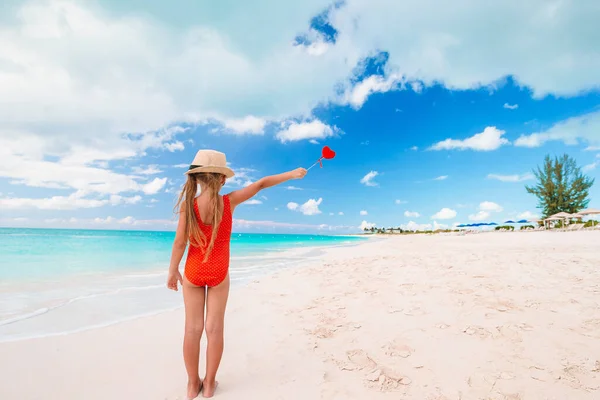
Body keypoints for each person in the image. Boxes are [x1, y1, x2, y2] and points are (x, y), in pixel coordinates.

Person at [166, 149, 307, 398]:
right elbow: (261, 184)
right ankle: (209, 384)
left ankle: (191, 385)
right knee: (215, 329)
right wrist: (292, 174)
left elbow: (179, 243)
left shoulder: (189, 207)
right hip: (219, 272)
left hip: (193, 272)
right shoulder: (228, 202)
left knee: (192, 329)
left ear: (197, 178)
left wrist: (172, 271)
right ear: (222, 179)